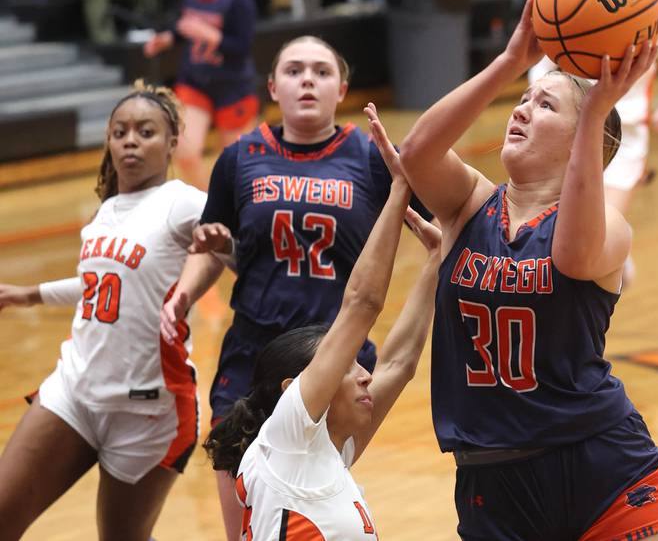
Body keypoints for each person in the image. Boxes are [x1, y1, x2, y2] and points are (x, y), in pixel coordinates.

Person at [399, 0, 658, 540]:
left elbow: (573, 257)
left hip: (604, 465)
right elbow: (417, 153)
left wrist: (598, 106)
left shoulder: (608, 227)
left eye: (546, 105)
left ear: (591, 141)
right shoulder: (470, 205)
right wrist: (509, 63)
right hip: (495, 477)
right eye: (523, 100)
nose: (521, 109)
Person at [159, 35, 429, 540]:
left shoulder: (371, 157)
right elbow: (213, 246)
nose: (308, 79)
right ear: (272, 87)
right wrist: (185, 293)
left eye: (322, 72)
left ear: (342, 88)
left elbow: (441, 222)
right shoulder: (239, 158)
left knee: (314, 497)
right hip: (253, 351)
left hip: (336, 352)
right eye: (294, 70)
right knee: (245, 512)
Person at [204, 109, 440, 538]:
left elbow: (400, 364)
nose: (366, 375)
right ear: (294, 390)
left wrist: (436, 263)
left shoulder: (327, 450)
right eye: (348, 367)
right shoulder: (286, 442)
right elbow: (362, 304)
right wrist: (398, 191)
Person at [0, 82, 207, 540]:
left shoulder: (183, 201)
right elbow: (104, 285)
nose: (130, 140)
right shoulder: (107, 211)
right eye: (120, 132)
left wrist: (194, 285)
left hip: (149, 407)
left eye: (145, 131)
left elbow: (226, 247)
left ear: (172, 141)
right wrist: (29, 294)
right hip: (75, 389)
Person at [530, 0, 658, 284]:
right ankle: (614, 263)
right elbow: (539, 68)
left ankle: (612, 262)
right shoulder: (577, 16)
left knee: (594, 238)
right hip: (567, 133)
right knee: (557, 240)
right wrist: (536, 97)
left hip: (625, 138)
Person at [144, 0, 260, 189]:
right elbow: (184, 25)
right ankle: (207, 207)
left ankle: (232, 215)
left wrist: (210, 35)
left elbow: (242, 46)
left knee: (236, 166)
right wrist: (169, 38)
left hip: (233, 86)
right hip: (195, 81)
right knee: (184, 152)